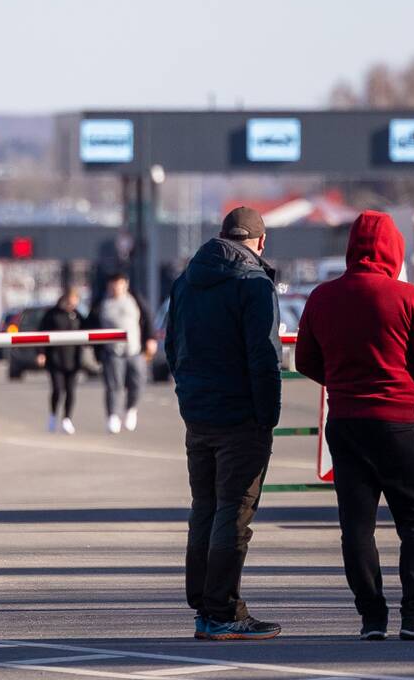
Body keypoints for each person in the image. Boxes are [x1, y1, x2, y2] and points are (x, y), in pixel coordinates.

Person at [295, 210, 414, 641]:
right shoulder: (406, 297)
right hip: (398, 423)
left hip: (346, 425)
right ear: (394, 249)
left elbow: (305, 361)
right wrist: (408, 385)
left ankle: (372, 618)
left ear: (352, 247)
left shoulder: (321, 297)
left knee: (356, 526)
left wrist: (343, 384)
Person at [165, 206, 283, 641]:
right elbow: (264, 357)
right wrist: (267, 415)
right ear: (260, 241)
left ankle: (204, 605)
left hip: (199, 414)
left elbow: (172, 345)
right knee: (234, 513)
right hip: (241, 417)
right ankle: (222, 610)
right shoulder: (253, 284)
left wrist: (189, 393)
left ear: (221, 235)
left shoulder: (185, 282)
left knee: (206, 509)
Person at [90, 273, 155, 434]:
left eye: (118, 284)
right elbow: (91, 323)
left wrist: (150, 339)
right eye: (112, 284)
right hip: (112, 352)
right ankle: (113, 415)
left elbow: (148, 318)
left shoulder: (135, 300)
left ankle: (131, 409)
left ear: (125, 284)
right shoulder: (101, 303)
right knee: (114, 385)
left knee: (138, 381)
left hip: (134, 350)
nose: (115, 287)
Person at [38, 290, 84, 435]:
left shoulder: (78, 315)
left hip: (73, 359)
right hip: (55, 358)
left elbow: (88, 329)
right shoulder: (51, 314)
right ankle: (53, 415)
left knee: (71, 390)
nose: (72, 305)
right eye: (69, 301)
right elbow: (41, 334)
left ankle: (67, 418)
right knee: (58, 389)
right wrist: (41, 353)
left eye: (74, 302)